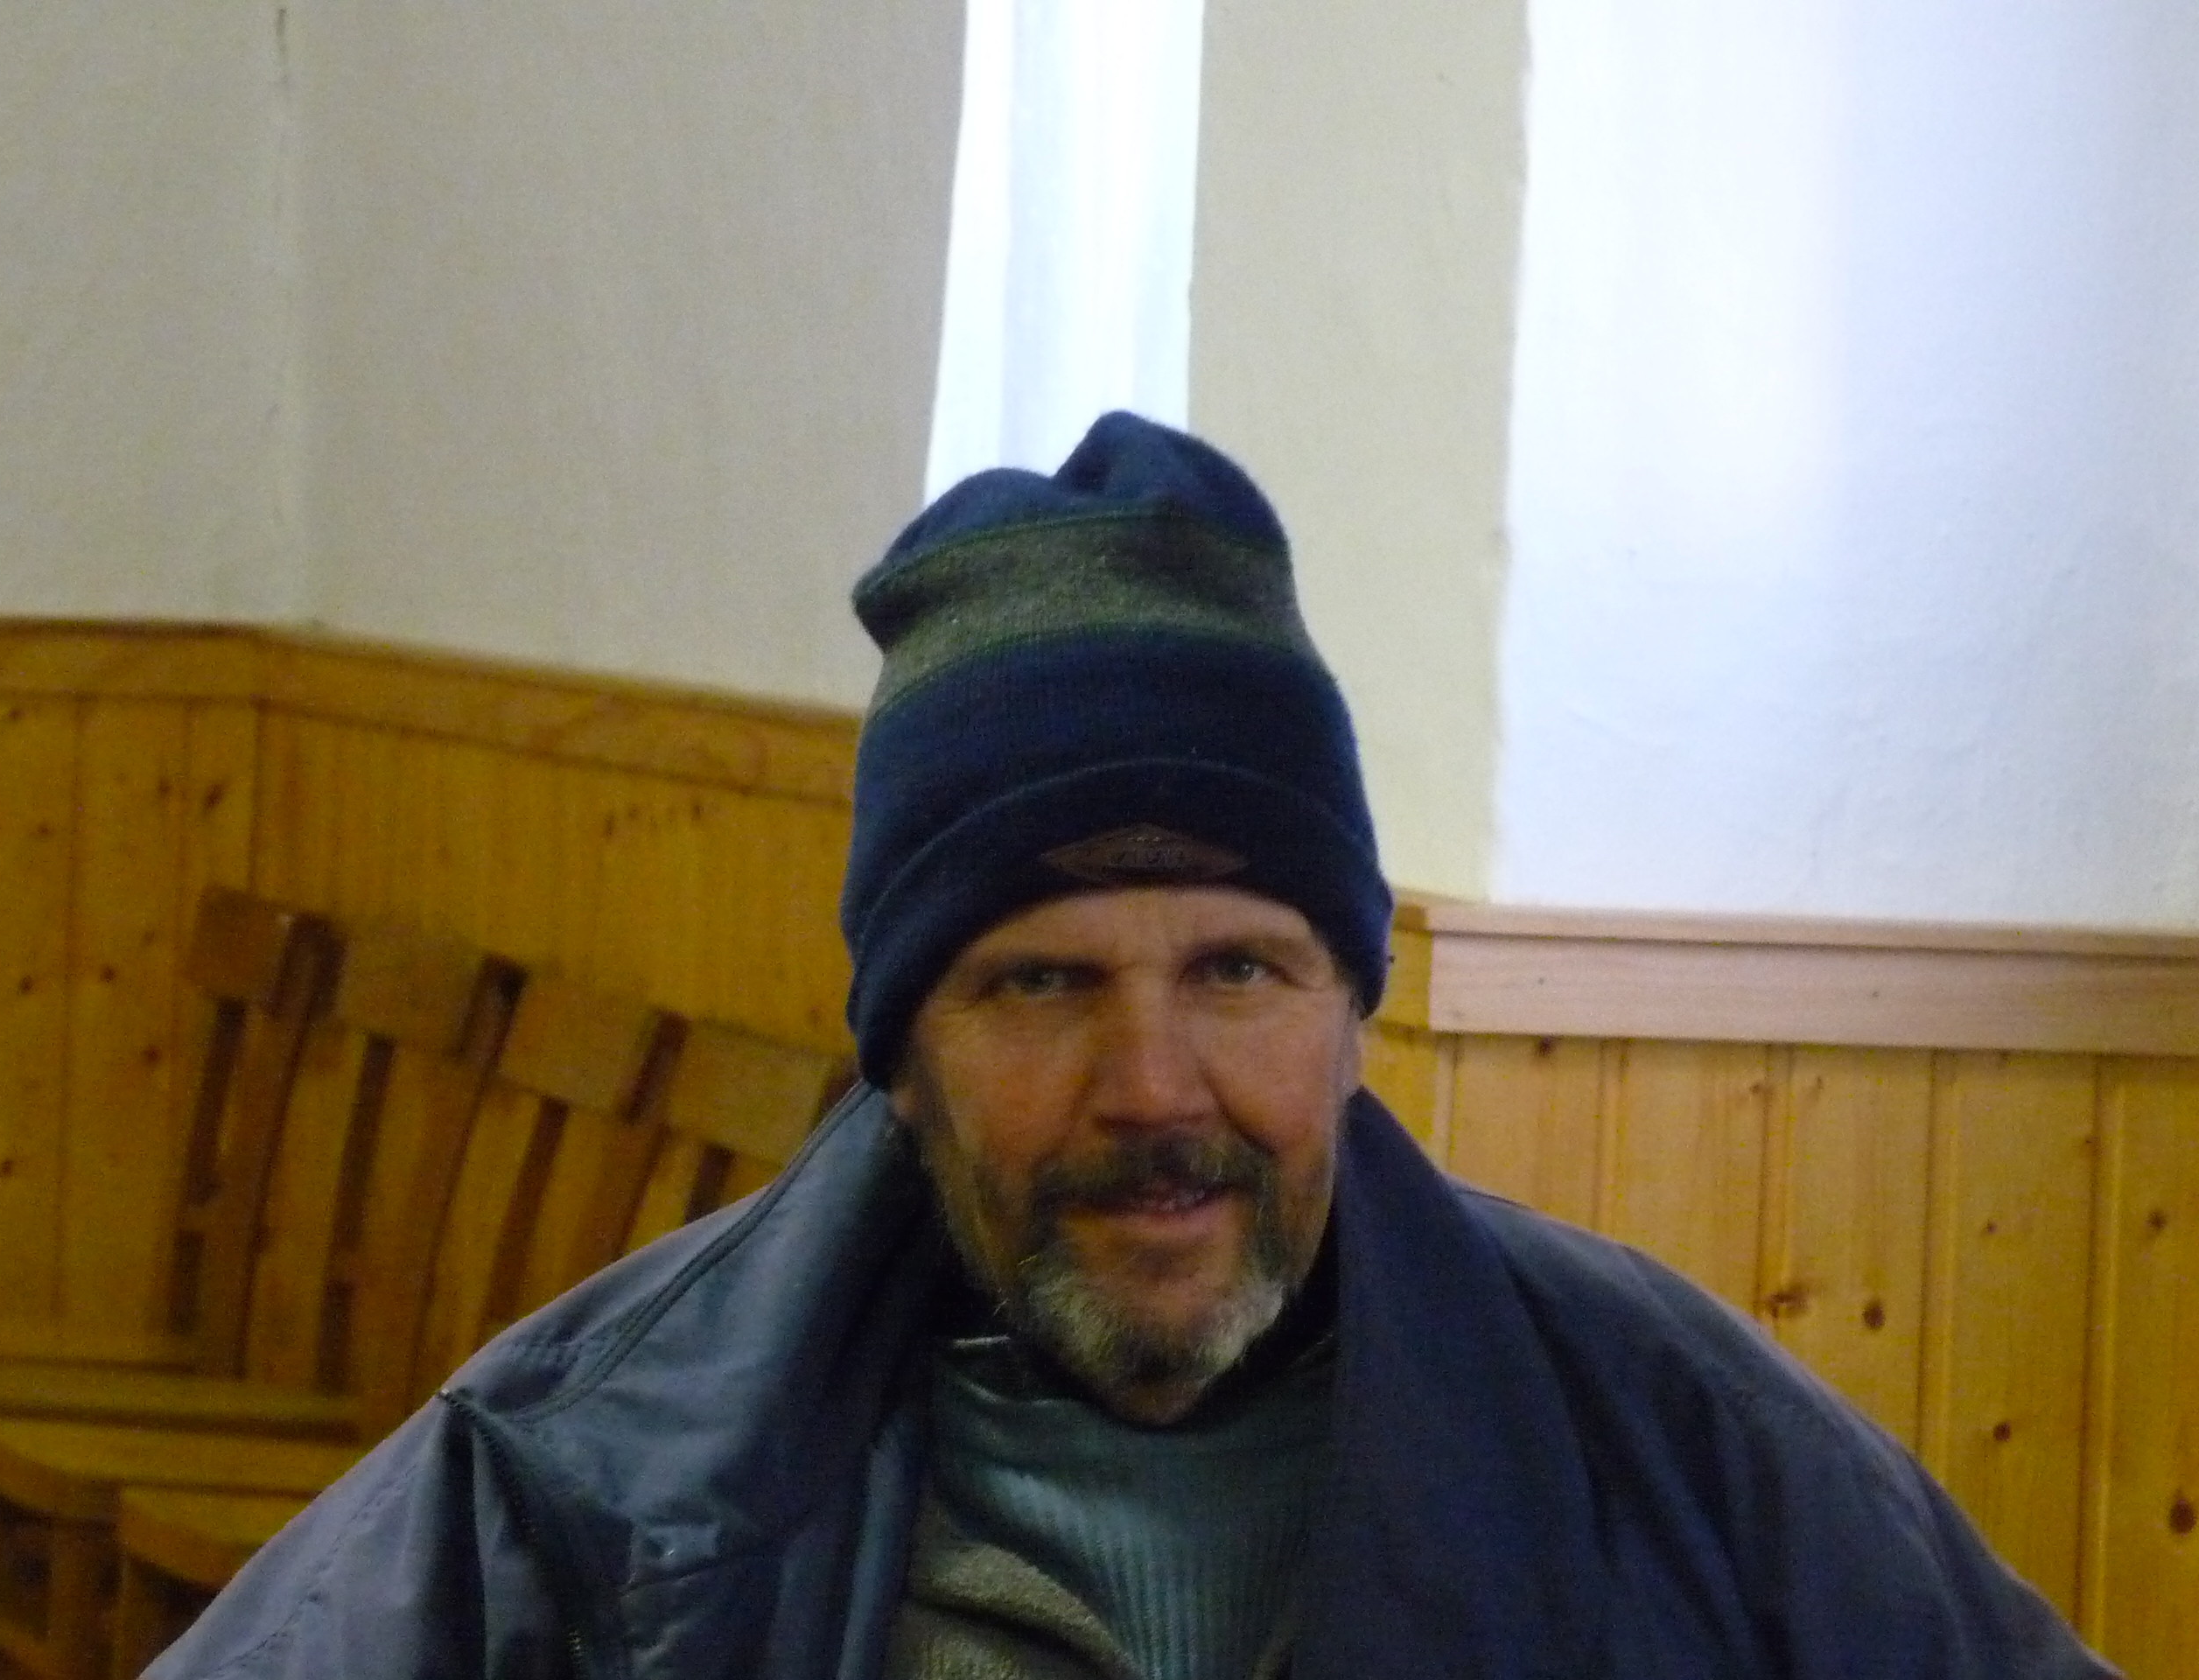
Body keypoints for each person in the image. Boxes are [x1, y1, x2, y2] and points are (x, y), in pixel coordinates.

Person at [151, 414, 2112, 1678]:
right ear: (899, 1055)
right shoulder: (588, 1469)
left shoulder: (1673, 1445)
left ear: (1351, 1015)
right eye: (1039, 985)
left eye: (1239, 971)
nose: (1155, 1090)